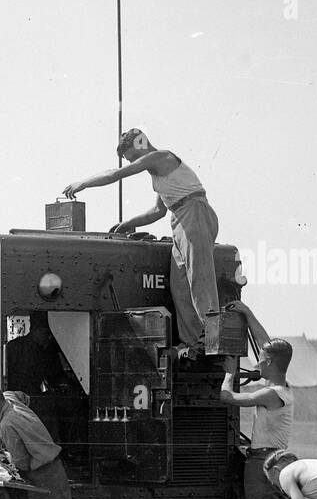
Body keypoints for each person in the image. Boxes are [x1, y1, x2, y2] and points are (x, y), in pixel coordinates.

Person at [63, 127, 221, 358]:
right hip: (179, 219)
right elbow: (158, 211)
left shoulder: (162, 156)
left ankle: (213, 338)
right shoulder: (157, 174)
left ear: (141, 144)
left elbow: (114, 175)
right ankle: (193, 342)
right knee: (180, 286)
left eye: (133, 157)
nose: (135, 162)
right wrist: (129, 222)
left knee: (199, 278)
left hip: (194, 213)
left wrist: (83, 183)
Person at [217, 303, 294, 499]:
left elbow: (228, 399)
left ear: (271, 363)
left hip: (263, 465)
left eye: (261, 359)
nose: (257, 361)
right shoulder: (281, 386)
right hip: (266, 463)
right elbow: (267, 345)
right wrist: (247, 314)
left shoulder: (271, 394)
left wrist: (228, 375)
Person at [5, 311, 87, 446]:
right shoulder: (22, 348)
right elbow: (55, 377)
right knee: (56, 407)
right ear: (35, 330)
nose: (48, 337)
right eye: (45, 333)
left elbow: (55, 376)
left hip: (25, 395)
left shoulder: (16, 346)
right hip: (25, 396)